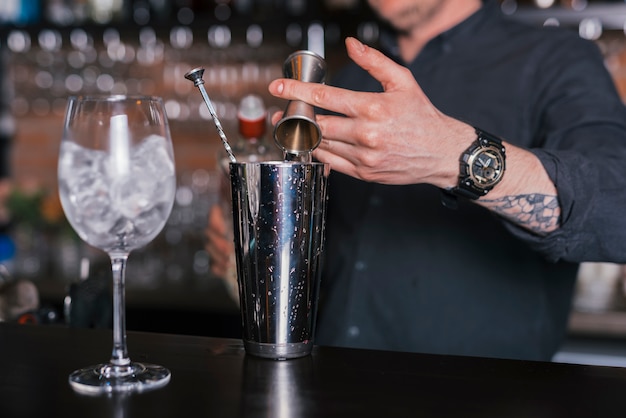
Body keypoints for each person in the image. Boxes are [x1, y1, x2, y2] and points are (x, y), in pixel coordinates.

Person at [207, 0, 626, 361]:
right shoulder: (349, 81)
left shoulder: (557, 60)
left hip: (482, 400)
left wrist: (452, 154)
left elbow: (616, 213)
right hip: (330, 386)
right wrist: (261, 248)